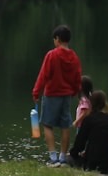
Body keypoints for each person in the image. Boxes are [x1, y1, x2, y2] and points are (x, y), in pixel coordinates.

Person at [32, 24, 83, 166]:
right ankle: (62, 157)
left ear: (57, 39)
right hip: (66, 96)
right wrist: (75, 91)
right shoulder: (74, 57)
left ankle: (53, 157)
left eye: (54, 39)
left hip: (51, 94)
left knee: (47, 124)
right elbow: (77, 77)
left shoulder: (52, 55)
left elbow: (43, 75)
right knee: (65, 125)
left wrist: (36, 92)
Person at [68, 89, 108, 173]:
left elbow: (79, 144)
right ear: (104, 103)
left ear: (91, 103)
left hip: (92, 163)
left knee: (69, 158)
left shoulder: (88, 120)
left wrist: (73, 153)